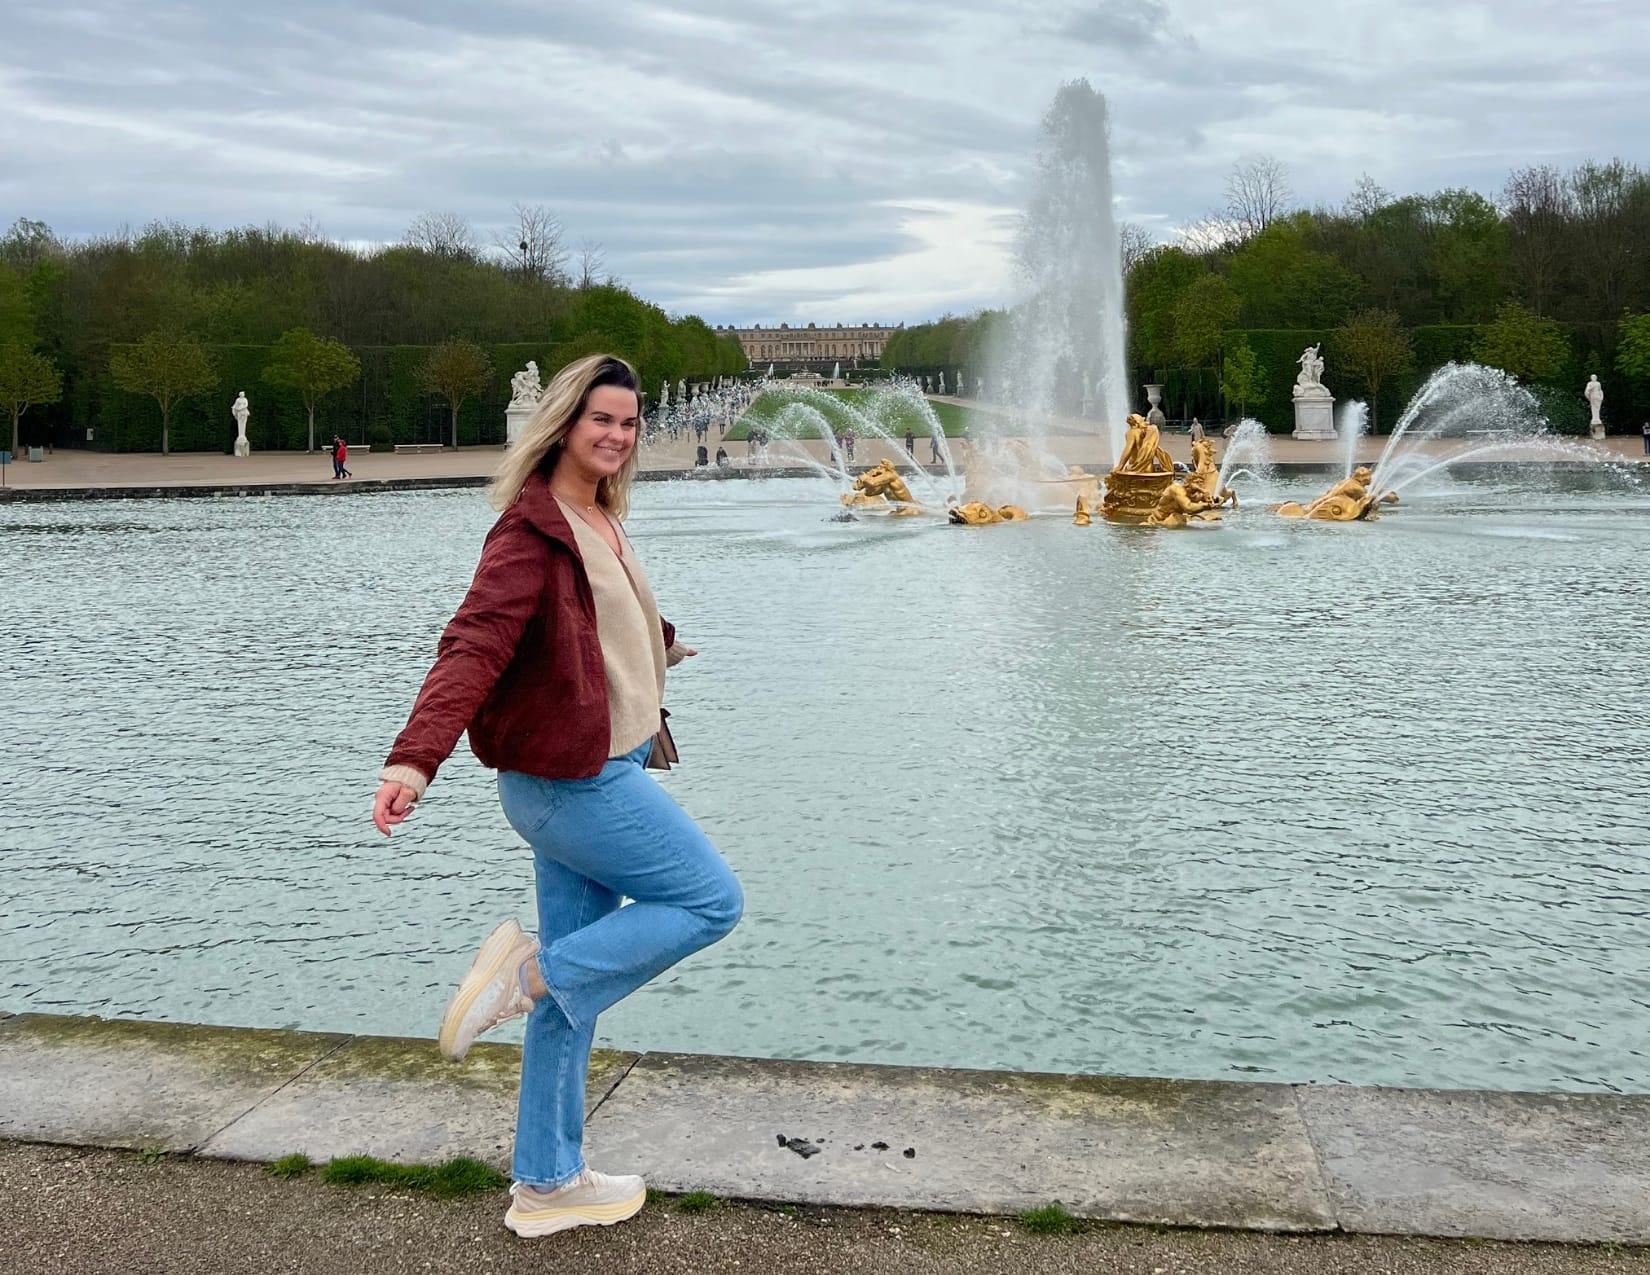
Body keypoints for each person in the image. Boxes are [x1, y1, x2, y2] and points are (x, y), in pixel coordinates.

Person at [372, 354, 743, 1238]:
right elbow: (474, 643)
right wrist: (412, 760)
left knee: (578, 995)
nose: (616, 435)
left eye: (629, 421)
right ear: (563, 423)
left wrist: (660, 647)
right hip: (568, 784)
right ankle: (525, 970)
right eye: (600, 420)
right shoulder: (529, 529)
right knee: (708, 899)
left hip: (587, 770)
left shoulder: (597, 516)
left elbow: (597, 614)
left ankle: (545, 1182)